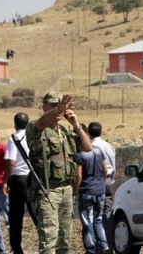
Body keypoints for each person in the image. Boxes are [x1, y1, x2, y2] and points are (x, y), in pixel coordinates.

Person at [26, 92, 92, 254]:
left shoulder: (64, 131)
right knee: (49, 238)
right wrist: (58, 111)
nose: (58, 109)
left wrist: (76, 125)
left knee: (65, 239)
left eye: (60, 106)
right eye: (53, 105)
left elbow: (87, 147)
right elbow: (42, 121)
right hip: (48, 191)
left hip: (66, 190)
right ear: (44, 107)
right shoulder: (36, 128)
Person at [74, 142, 110, 254]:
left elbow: (79, 175)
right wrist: (101, 183)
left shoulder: (80, 155)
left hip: (86, 191)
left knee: (87, 223)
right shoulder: (98, 150)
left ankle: (90, 249)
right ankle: (104, 246)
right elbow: (105, 169)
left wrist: (75, 190)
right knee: (98, 220)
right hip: (100, 191)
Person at [4, 112, 32, 254]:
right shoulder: (33, 137)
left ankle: (17, 249)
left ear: (15, 124)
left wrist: (5, 180)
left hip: (18, 180)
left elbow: (11, 162)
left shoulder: (14, 138)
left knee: (15, 216)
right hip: (33, 179)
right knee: (37, 214)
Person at [87, 122, 116, 249]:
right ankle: (110, 244)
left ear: (88, 133)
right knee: (107, 215)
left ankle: (97, 246)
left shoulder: (91, 147)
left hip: (97, 181)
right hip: (109, 180)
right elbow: (113, 163)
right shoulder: (108, 146)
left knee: (94, 215)